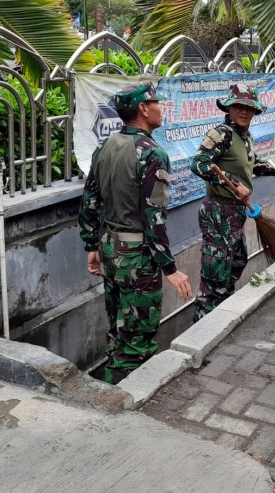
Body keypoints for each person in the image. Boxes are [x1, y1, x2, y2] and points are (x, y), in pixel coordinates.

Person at [79, 82, 193, 384]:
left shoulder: (105, 147)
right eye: (156, 103)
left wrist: (92, 244)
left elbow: (90, 201)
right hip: (137, 258)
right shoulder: (152, 152)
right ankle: (127, 402)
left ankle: (108, 387)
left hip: (109, 250)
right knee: (138, 337)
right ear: (143, 109)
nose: (161, 108)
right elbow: (153, 216)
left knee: (118, 328)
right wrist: (169, 267)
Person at [190, 85, 275, 320]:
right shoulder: (221, 133)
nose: (244, 112)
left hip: (236, 212)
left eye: (249, 108)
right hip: (218, 211)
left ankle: (222, 313)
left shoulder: (244, 137)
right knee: (215, 272)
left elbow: (251, 164)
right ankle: (203, 324)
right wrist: (233, 182)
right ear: (229, 108)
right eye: (239, 106)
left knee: (237, 261)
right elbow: (198, 163)